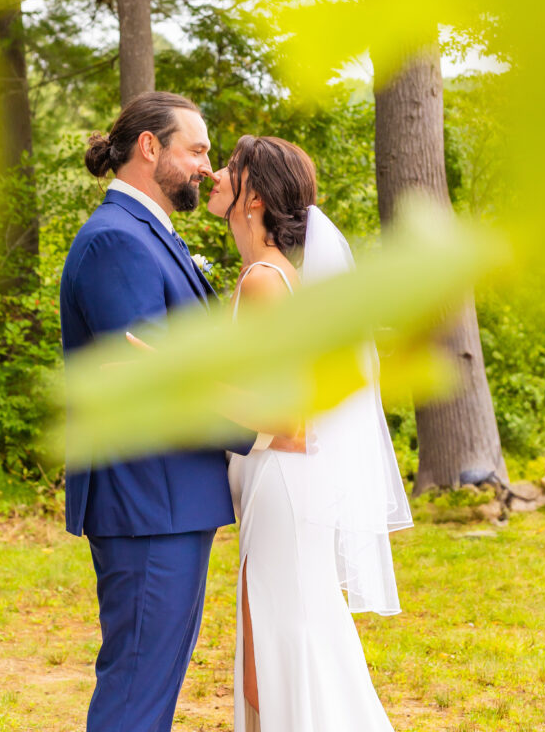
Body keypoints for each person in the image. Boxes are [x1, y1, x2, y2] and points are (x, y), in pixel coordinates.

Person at [60, 93, 296, 732]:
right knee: (138, 688)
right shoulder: (118, 242)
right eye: (196, 150)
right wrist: (269, 426)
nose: (205, 166)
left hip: (168, 502)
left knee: (153, 681)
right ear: (148, 148)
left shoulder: (147, 236)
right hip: (147, 503)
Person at [206, 135, 413, 732]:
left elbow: (288, 417)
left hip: (283, 489)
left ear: (254, 198)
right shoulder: (274, 276)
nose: (216, 174)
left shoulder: (266, 282)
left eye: (231, 168)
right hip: (275, 484)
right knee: (276, 651)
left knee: (279, 657)